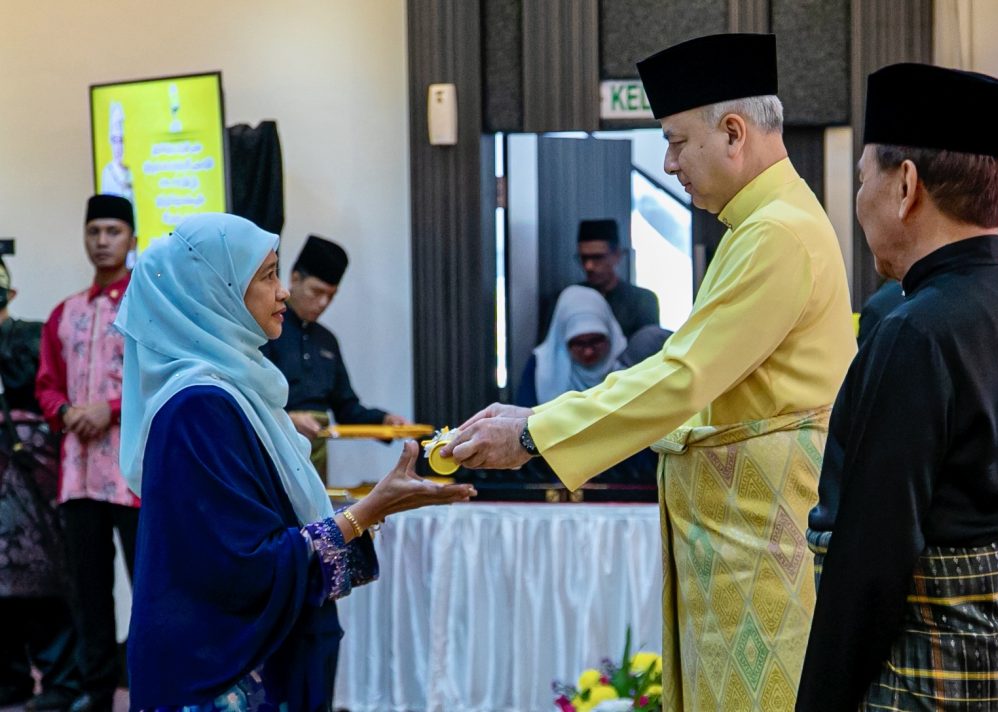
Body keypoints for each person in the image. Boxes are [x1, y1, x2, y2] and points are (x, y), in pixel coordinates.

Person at [443, 33, 855, 710]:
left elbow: (683, 378)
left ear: (733, 132)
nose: (668, 163)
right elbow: (686, 374)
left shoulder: (776, 233)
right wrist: (534, 418)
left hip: (763, 542)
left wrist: (535, 433)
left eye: (675, 141)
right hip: (744, 539)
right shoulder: (760, 226)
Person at [114, 213, 475, 709]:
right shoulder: (197, 408)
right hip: (217, 672)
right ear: (215, 292)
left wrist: (373, 506)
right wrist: (366, 511)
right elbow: (242, 567)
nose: (282, 291)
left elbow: (264, 524)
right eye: (267, 276)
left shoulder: (239, 388)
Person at [796, 63, 998, 711]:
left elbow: (871, 557)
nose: (859, 200)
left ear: (906, 185)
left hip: (931, 677)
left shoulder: (916, 330)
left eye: (863, 178)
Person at [36, 195, 138, 712]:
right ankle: (97, 694)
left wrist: (110, 409)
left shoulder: (146, 306)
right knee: (90, 592)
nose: (102, 241)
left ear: (133, 239)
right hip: (77, 477)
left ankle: (152, 687)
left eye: (113, 231)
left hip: (133, 477)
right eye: (94, 231)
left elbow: (158, 381)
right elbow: (47, 384)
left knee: (149, 585)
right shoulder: (65, 312)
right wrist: (65, 412)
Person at [0, 256, 80, 710]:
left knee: (46, 578)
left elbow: (50, 392)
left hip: (34, 480)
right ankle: (11, 680)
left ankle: (62, 682)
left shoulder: (32, 336)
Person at [261, 234, 408, 481]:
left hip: (316, 450)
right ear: (295, 279)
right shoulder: (267, 329)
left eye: (331, 296)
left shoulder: (326, 340)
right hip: (272, 445)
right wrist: (288, 418)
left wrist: (383, 420)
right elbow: (251, 398)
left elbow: (346, 406)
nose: (323, 303)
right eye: (317, 292)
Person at [515, 285, 626, 408]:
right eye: (579, 343)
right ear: (563, 340)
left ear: (610, 336)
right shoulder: (541, 367)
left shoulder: (627, 364)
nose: (588, 352)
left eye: (596, 341)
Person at [571, 219, 659, 338]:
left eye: (597, 257)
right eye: (584, 258)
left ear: (616, 255)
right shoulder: (569, 300)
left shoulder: (642, 301)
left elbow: (648, 343)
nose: (589, 266)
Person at [99, 101, 133, 202]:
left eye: (121, 141)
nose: (118, 147)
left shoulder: (129, 172)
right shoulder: (107, 172)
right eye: (115, 141)